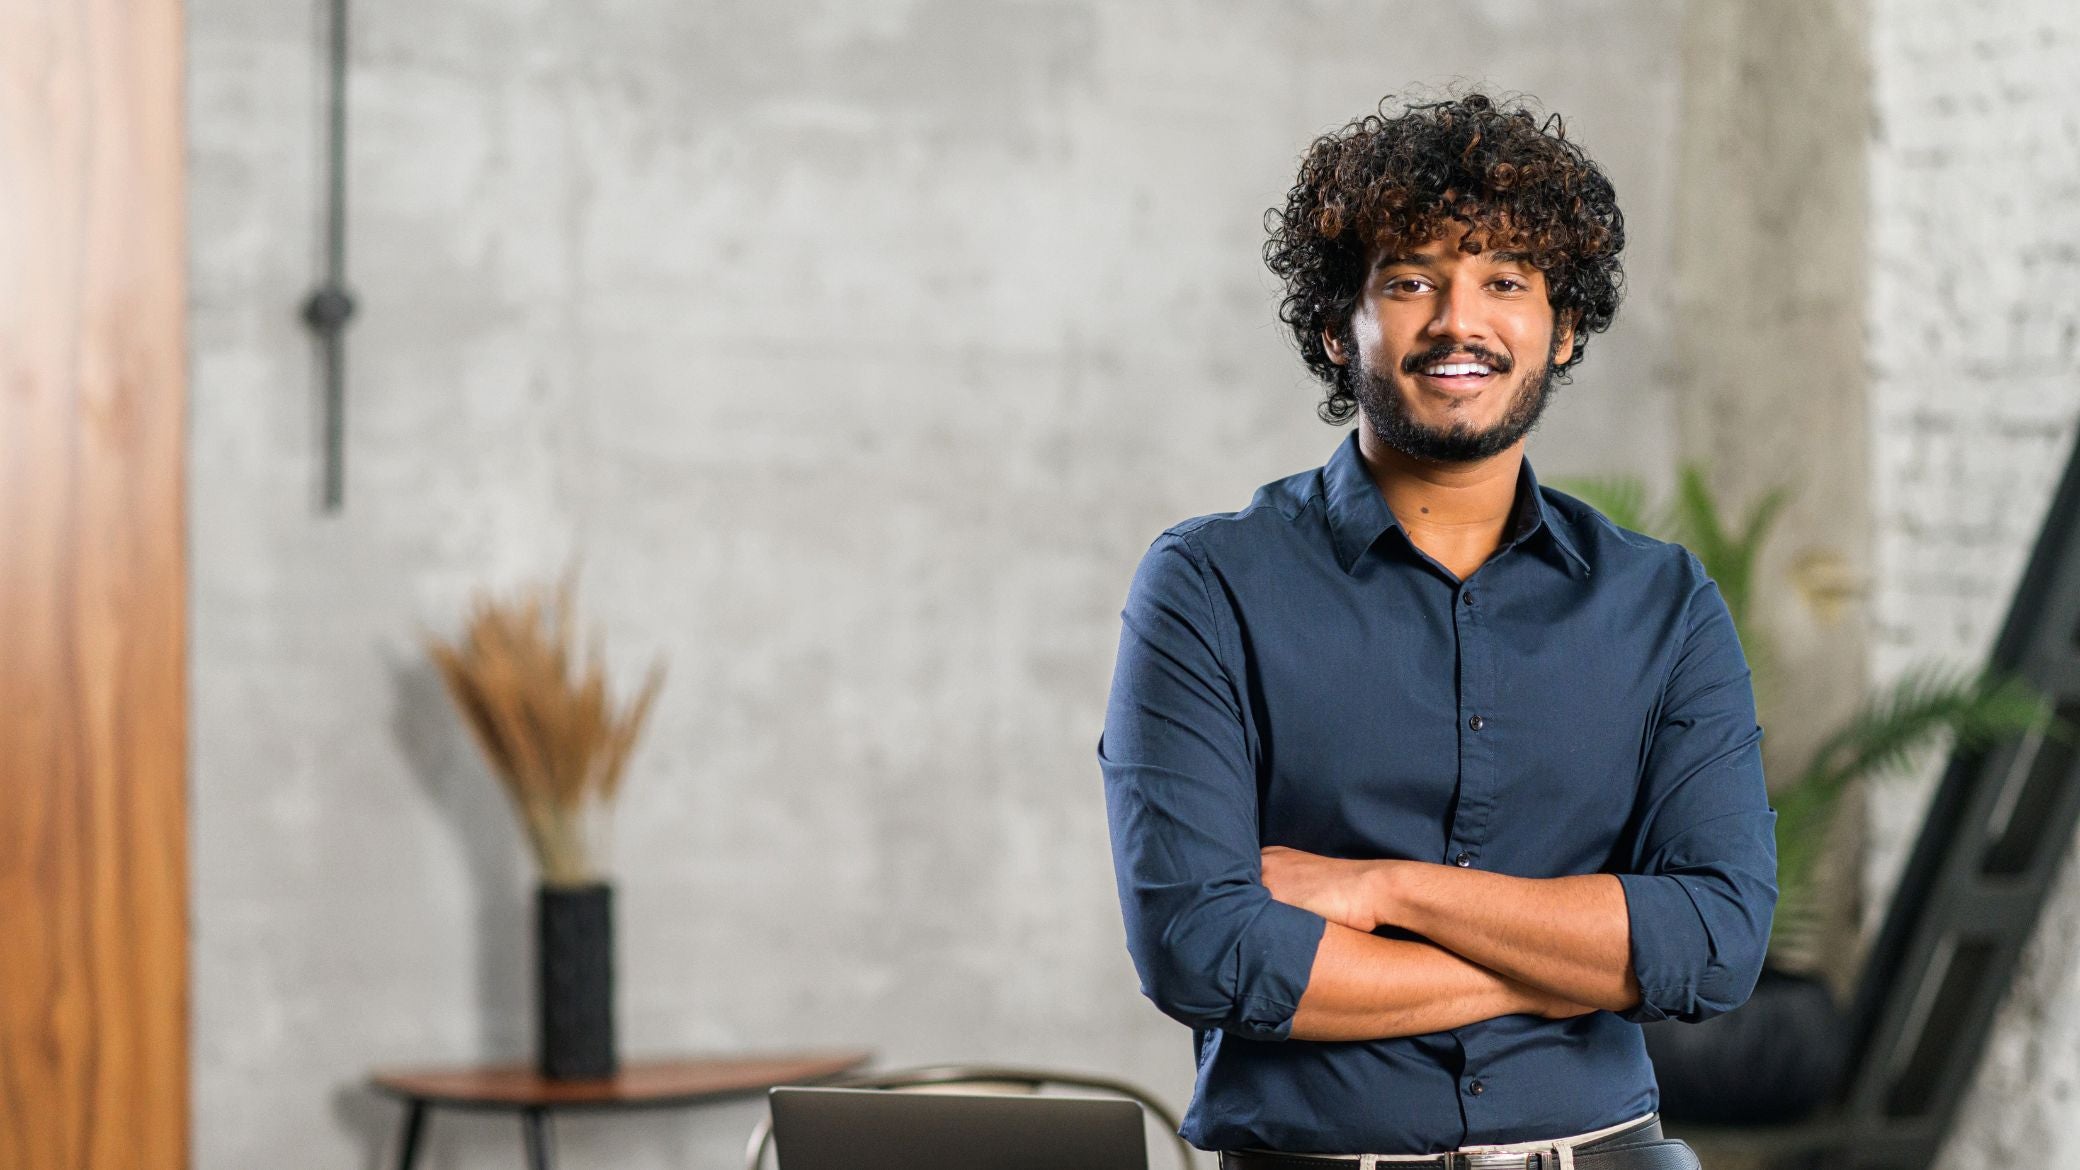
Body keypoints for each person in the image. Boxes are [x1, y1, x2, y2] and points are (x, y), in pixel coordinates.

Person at [1098, 92, 1777, 1169]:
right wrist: (1577, 962)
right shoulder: (1209, 587)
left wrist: (1386, 891)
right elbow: (1205, 950)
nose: (1461, 320)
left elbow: (1716, 942)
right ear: (1337, 327)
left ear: (1562, 330)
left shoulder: (1664, 604)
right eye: (1411, 280)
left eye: (1505, 281)